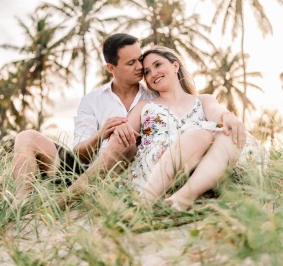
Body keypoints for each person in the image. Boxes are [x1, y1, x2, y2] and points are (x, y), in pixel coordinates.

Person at [70, 46, 255, 210]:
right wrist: (117, 128)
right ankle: (145, 201)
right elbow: (124, 131)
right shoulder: (145, 105)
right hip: (158, 170)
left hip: (204, 166)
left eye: (158, 65)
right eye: (147, 72)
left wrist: (228, 117)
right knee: (198, 136)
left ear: (175, 66)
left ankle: (182, 198)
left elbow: (217, 112)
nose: (153, 74)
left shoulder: (203, 100)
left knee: (227, 134)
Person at [12, 33, 154, 198]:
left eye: (140, 59)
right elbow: (79, 154)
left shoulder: (154, 97)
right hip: (84, 173)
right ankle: (22, 202)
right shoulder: (92, 100)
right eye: (131, 63)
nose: (139, 66)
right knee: (26, 137)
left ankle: (72, 197)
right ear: (111, 68)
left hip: (128, 173)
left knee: (124, 142)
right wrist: (100, 135)